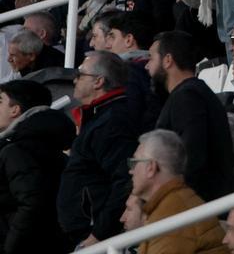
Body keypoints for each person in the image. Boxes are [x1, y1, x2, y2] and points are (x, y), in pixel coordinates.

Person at [58, 51, 139, 248]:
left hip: (95, 237)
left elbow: (124, 180)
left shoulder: (111, 122)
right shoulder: (100, 117)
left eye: (80, 74)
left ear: (98, 81)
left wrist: (99, 233)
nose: (75, 79)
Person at [147, 31, 234, 200]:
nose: (146, 65)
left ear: (167, 60)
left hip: (194, 207)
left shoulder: (188, 96)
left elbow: (192, 156)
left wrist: (172, 200)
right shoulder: (190, 93)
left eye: (151, 58)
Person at [0, 79, 75, 254]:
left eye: (0, 101)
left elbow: (33, 202)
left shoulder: (16, 150)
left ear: (15, 109)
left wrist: (10, 248)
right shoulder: (39, 144)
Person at [128, 129, 226, 254]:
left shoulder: (171, 214)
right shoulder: (174, 203)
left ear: (151, 168)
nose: (131, 171)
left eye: (134, 163)